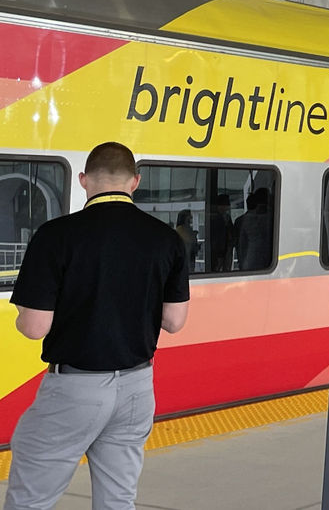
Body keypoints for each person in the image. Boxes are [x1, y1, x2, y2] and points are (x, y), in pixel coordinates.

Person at [5, 142, 190, 510]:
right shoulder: (166, 239)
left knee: (31, 499)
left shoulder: (55, 235)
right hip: (137, 387)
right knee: (118, 499)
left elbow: (35, 326)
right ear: (134, 182)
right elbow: (174, 321)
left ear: (84, 180)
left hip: (75, 388)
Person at [235, 188, 273, 271]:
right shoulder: (269, 217)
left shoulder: (241, 220)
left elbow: (240, 244)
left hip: (248, 262)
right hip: (264, 263)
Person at [206, 194, 233, 272]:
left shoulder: (226, 217)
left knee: (226, 269)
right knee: (217, 269)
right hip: (218, 250)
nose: (226, 208)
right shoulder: (214, 218)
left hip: (226, 248)